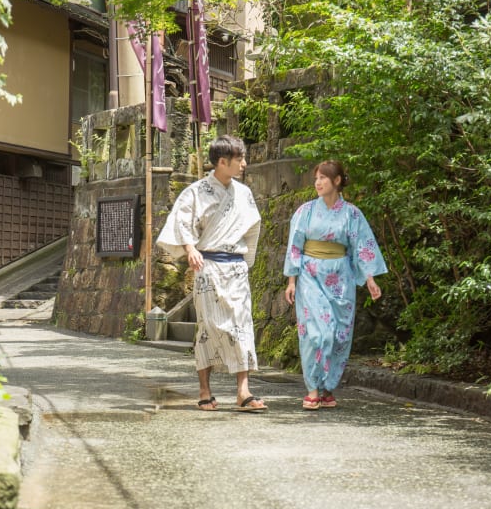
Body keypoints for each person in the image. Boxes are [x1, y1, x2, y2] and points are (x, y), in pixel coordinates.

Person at [156, 135, 267, 412]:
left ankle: (244, 391)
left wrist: (246, 259)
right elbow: (180, 221)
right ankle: (205, 390)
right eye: (239, 159)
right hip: (208, 266)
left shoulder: (243, 193)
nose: (243, 164)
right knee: (208, 328)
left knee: (242, 326)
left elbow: (253, 226)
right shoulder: (195, 191)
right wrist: (190, 248)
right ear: (222, 162)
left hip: (236, 267)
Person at [283, 160, 388, 410]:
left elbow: (362, 246)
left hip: (341, 276)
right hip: (309, 274)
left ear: (337, 181)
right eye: (316, 178)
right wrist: (291, 280)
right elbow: (294, 245)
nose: (318, 183)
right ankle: (312, 389)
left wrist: (370, 279)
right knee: (316, 332)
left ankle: (328, 388)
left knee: (340, 334)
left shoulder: (352, 214)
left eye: (323, 178)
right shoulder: (305, 212)